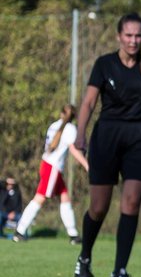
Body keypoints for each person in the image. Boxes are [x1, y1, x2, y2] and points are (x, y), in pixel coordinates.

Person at [73, 12, 141, 277]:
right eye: (128, 35)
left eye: (138, 35)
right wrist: (80, 135)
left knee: (132, 202)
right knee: (99, 208)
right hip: (107, 137)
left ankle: (119, 271)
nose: (133, 40)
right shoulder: (104, 64)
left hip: (138, 139)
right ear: (119, 37)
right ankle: (85, 257)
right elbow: (88, 103)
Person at [13, 104, 90, 243]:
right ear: (74, 117)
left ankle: (73, 235)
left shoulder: (53, 125)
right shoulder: (70, 128)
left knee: (65, 197)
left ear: (61, 113)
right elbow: (73, 150)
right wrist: (87, 165)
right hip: (52, 168)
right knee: (40, 198)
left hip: (46, 164)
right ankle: (20, 231)